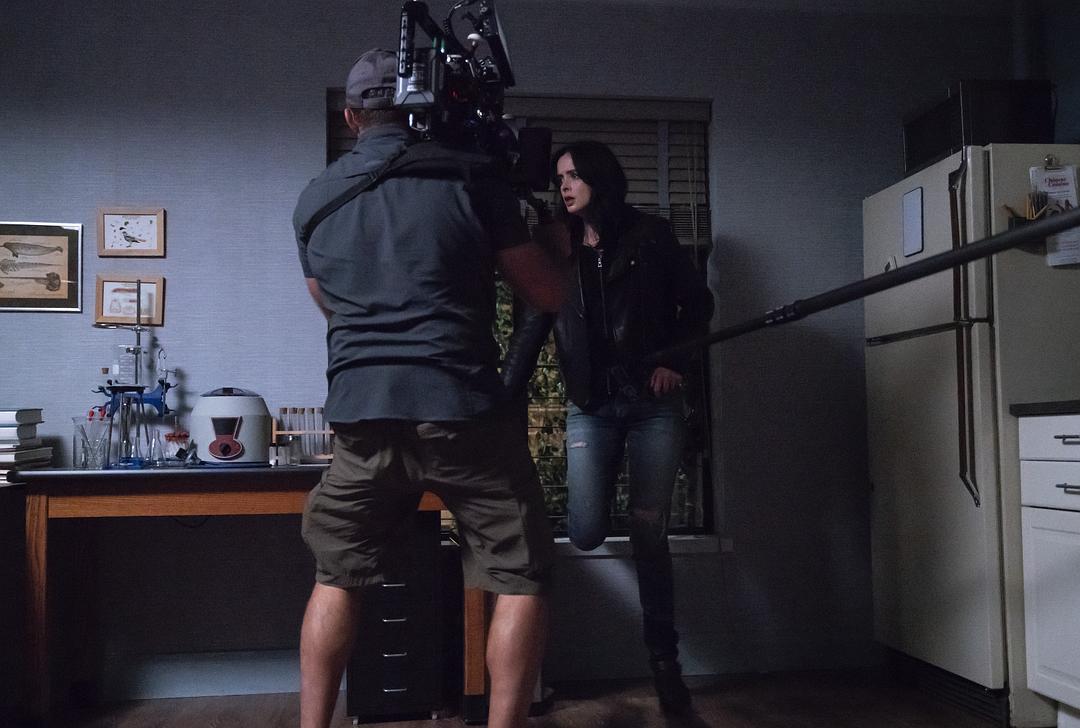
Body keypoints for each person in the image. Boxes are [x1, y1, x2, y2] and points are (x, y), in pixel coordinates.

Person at [292, 49, 567, 728]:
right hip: (461, 411)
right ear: (429, 108)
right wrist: (557, 246)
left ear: (352, 117)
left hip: (362, 416)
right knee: (519, 572)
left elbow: (329, 304)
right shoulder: (473, 179)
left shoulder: (315, 199)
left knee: (336, 574)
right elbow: (547, 293)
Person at [549, 140, 714, 712]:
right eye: (560, 177)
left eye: (574, 175)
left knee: (649, 535)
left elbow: (697, 305)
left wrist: (676, 362)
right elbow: (537, 317)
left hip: (651, 404)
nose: (565, 186)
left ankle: (665, 665)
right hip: (591, 406)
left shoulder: (651, 236)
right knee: (586, 530)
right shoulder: (558, 245)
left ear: (600, 178)